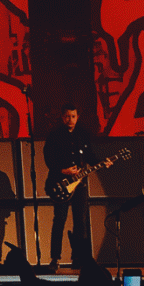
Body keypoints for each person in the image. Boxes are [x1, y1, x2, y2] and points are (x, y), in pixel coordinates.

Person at [44, 103, 107, 271]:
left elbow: (90, 156)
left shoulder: (83, 135)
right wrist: (63, 170)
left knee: (80, 222)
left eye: (73, 116)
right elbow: (48, 158)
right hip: (60, 183)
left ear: (77, 117)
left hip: (79, 184)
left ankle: (78, 258)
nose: (70, 120)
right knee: (60, 220)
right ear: (62, 117)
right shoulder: (54, 136)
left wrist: (103, 162)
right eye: (67, 116)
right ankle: (54, 258)